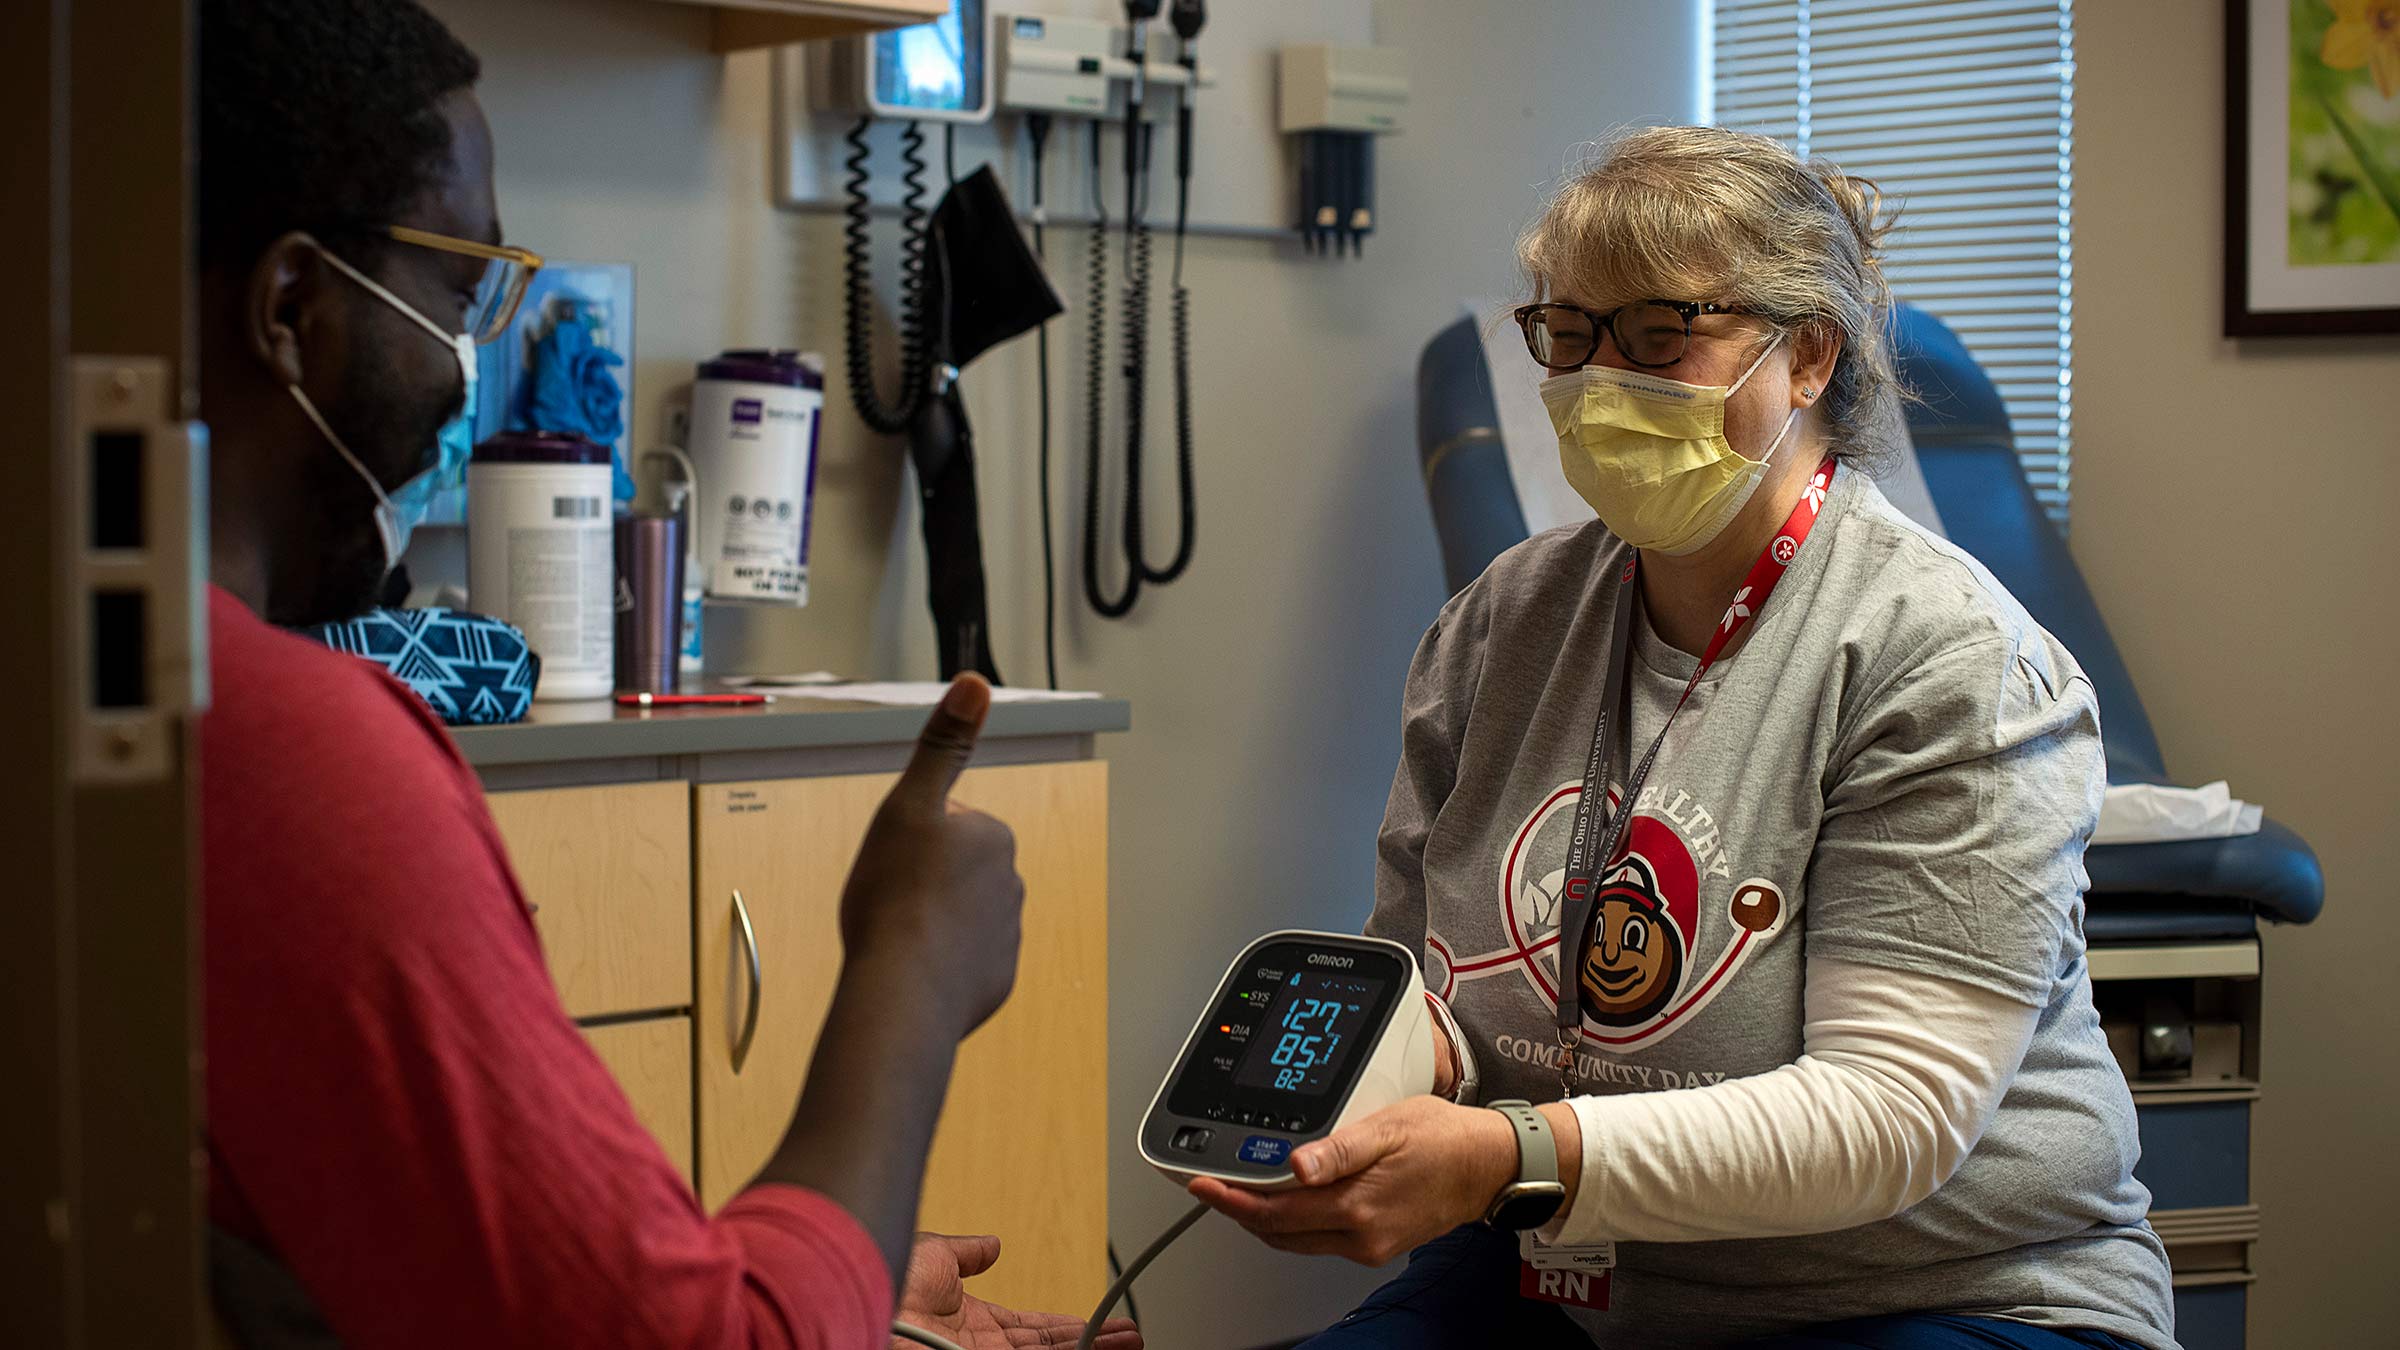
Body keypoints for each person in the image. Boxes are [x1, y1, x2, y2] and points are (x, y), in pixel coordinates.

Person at [195, 3, 1137, 1347]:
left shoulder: (111, 695)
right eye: (464, 297)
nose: (468, 374)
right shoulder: (296, 764)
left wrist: (842, 1274)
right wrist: (911, 971)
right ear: (292, 306)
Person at [1187, 127, 2176, 1349]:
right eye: (1567, 332)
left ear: (1808, 353)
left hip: (1935, 1293)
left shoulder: (1946, 658)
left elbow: (1892, 1116)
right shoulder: (1502, 626)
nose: (1603, 379)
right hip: (1573, 1274)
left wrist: (1505, 1155)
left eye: (1661, 332)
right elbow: (1421, 988)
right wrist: (1351, 1104)